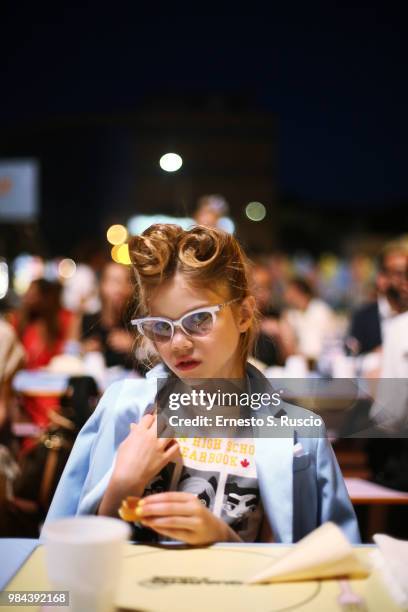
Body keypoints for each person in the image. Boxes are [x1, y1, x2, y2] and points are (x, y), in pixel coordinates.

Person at [45, 224, 359, 544]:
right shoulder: (124, 408)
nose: (178, 344)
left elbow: (331, 563)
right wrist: (122, 485)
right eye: (160, 326)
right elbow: (62, 555)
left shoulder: (301, 434)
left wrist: (222, 538)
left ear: (244, 314)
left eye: (199, 319)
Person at [347, 243, 408, 356]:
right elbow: (350, 359)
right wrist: (374, 357)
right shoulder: (363, 318)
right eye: (399, 273)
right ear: (381, 278)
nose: (405, 280)